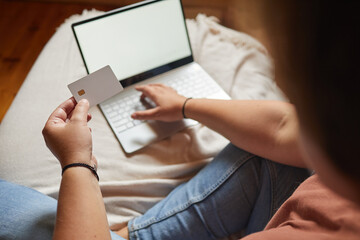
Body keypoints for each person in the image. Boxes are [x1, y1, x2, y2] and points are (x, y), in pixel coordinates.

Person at [1, 0, 360, 240]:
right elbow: (284, 127)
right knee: (270, 156)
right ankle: (135, 233)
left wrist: (78, 163)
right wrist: (186, 104)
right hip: (282, 201)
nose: (280, 83)